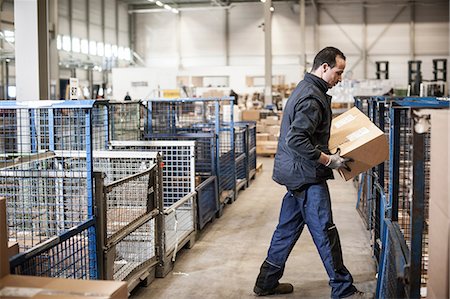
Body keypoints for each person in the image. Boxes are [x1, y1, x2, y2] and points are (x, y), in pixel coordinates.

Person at [253, 47, 368, 298]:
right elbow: (296, 139)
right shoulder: (312, 97)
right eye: (338, 72)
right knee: (325, 230)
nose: (340, 78)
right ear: (324, 67)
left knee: (287, 228)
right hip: (305, 176)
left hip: (295, 173)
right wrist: (328, 160)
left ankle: (266, 282)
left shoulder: (307, 88)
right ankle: (343, 289)